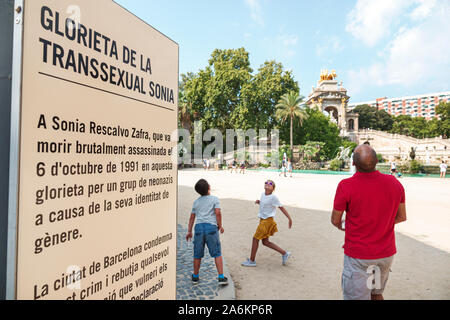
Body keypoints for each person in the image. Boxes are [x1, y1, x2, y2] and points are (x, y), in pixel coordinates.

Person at [331, 145, 407, 300]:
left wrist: (344, 226)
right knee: (376, 294)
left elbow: (335, 220)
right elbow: (401, 217)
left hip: (359, 256)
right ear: (377, 161)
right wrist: (380, 224)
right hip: (385, 255)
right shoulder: (395, 183)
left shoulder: (346, 186)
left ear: (353, 163)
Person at [186, 179, 228, 285]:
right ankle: (221, 277)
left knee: (197, 254)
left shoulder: (196, 202)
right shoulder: (214, 199)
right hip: (211, 228)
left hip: (199, 228)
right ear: (209, 187)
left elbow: (192, 217)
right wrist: (220, 225)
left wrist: (189, 231)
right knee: (217, 253)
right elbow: (217, 213)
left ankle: (195, 276)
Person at [242, 180, 293, 267]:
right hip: (262, 220)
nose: (268, 184)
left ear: (273, 188)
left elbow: (281, 208)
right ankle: (284, 253)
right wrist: (259, 202)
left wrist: (289, 219)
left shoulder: (274, 197)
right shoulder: (262, 194)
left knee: (255, 239)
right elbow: (266, 205)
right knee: (265, 242)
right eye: (266, 182)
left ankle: (252, 261)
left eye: (270, 183)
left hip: (267, 221)